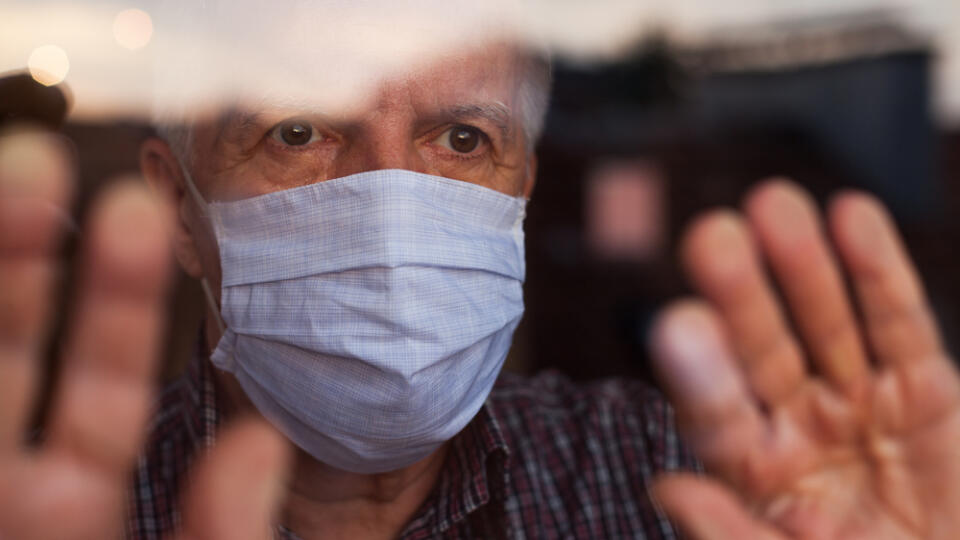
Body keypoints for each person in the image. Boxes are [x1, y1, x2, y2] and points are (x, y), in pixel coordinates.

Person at [1, 33, 959, 540]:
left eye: (463, 140)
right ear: (179, 207)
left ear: (520, 193)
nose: (389, 206)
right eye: (297, 132)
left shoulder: (691, 479)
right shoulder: (56, 511)